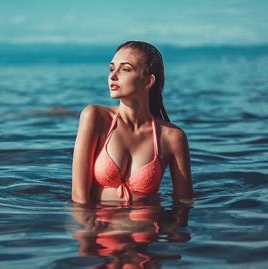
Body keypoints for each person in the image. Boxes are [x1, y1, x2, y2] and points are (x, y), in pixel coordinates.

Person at [71, 41, 193, 205]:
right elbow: (79, 198)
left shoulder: (172, 137)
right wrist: (87, 229)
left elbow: (184, 204)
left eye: (125, 69)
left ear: (148, 82)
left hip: (148, 227)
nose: (113, 76)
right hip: (100, 228)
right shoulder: (95, 117)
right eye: (112, 68)